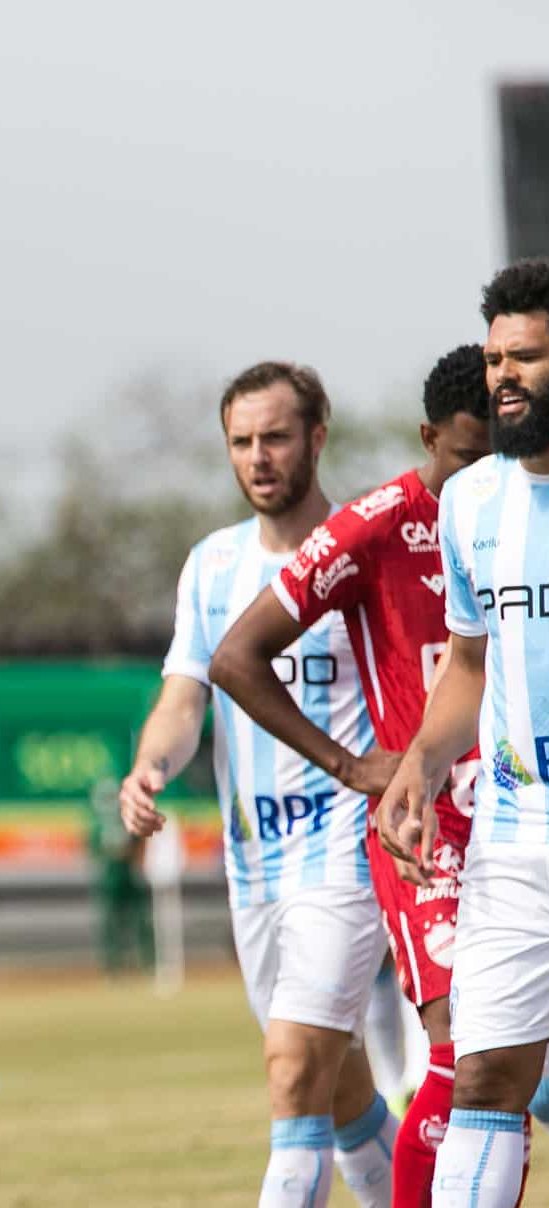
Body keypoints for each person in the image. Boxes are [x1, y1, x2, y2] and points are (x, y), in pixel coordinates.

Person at [209, 344, 496, 1204]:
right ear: (429, 439)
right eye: (467, 460)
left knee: (498, 1070)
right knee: (457, 1064)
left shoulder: (525, 513)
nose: (483, 480)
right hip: (428, 837)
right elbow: (233, 659)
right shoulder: (374, 525)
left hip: (523, 819)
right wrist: (352, 766)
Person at [119, 361, 396, 1208]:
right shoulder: (211, 566)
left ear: (317, 437)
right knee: (339, 1088)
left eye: (275, 436)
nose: (257, 457)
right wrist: (150, 767)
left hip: (347, 853)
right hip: (255, 865)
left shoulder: (361, 552)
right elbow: (182, 694)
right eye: (240, 441)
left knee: (288, 1074)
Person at [378, 260, 549, 1205]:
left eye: (524, 355)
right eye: (493, 359)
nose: (503, 378)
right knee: (483, 1079)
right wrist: (420, 765)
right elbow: (469, 665)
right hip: (513, 844)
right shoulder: (470, 503)